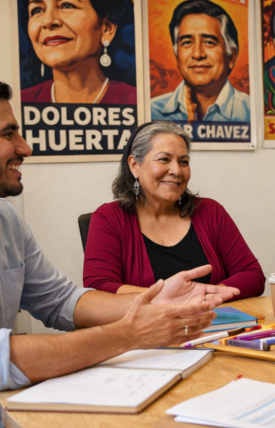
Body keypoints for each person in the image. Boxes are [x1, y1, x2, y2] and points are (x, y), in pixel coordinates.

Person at [0, 74, 237, 428]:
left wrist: (150, 301)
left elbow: (63, 301)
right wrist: (129, 333)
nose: (24, 147)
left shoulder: (4, 221)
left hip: (7, 408)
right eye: (9, 134)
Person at [84, 121, 264, 299]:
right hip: (147, 327)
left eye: (183, 162)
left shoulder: (210, 212)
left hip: (212, 322)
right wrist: (170, 297)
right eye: (164, 159)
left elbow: (252, 275)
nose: (177, 170)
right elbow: (98, 288)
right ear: (134, 165)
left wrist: (204, 296)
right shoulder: (109, 218)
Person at [20, 0, 137, 104]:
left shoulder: (136, 101)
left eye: (67, 5)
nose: (48, 21)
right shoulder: (21, 102)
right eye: (37, 10)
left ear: (107, 28)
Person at [150, 0, 250, 122]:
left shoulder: (250, 111)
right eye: (187, 42)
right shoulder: (152, 111)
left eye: (209, 42)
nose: (197, 54)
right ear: (177, 56)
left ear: (231, 57)